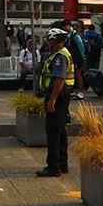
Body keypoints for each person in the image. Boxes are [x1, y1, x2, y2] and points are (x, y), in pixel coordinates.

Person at [35, 28, 75, 177]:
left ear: (56, 41)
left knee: (53, 132)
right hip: (62, 96)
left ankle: (53, 167)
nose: (48, 42)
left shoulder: (60, 57)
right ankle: (63, 164)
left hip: (58, 97)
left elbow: (59, 80)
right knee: (60, 131)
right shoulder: (61, 54)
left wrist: (52, 100)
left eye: (50, 40)